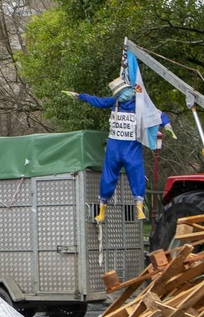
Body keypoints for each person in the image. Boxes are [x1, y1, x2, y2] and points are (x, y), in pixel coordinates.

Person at [65, 77, 174, 223]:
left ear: (130, 90)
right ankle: (102, 212)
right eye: (119, 94)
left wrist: (167, 125)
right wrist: (80, 96)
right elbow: (97, 101)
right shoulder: (114, 103)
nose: (122, 96)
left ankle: (139, 208)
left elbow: (158, 114)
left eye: (123, 93)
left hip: (132, 147)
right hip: (114, 147)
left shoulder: (140, 105)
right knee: (108, 177)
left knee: (137, 175)